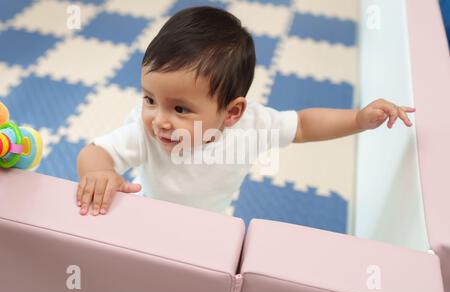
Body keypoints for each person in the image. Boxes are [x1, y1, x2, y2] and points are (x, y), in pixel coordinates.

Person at [76, 6, 415, 216]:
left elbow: (304, 126)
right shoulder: (146, 130)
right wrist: (99, 173)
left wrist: (357, 119)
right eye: (149, 99)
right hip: (147, 209)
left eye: (180, 108)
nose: (159, 118)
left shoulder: (252, 126)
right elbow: (96, 152)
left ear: (232, 113)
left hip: (211, 221)